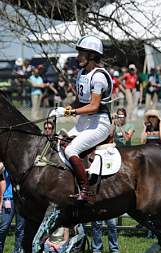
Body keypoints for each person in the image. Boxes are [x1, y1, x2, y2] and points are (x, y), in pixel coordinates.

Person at [49, 35, 113, 203]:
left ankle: (86, 190)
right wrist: (64, 109)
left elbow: (93, 106)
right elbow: (79, 101)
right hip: (84, 123)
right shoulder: (82, 74)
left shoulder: (98, 77)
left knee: (71, 150)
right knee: (59, 143)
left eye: (81, 54)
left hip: (99, 123)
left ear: (92, 55)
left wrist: (69, 114)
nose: (78, 57)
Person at [0, 168, 25, 253]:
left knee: (20, 228)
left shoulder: (24, 162)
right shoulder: (7, 162)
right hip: (9, 198)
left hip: (22, 199)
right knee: (4, 226)